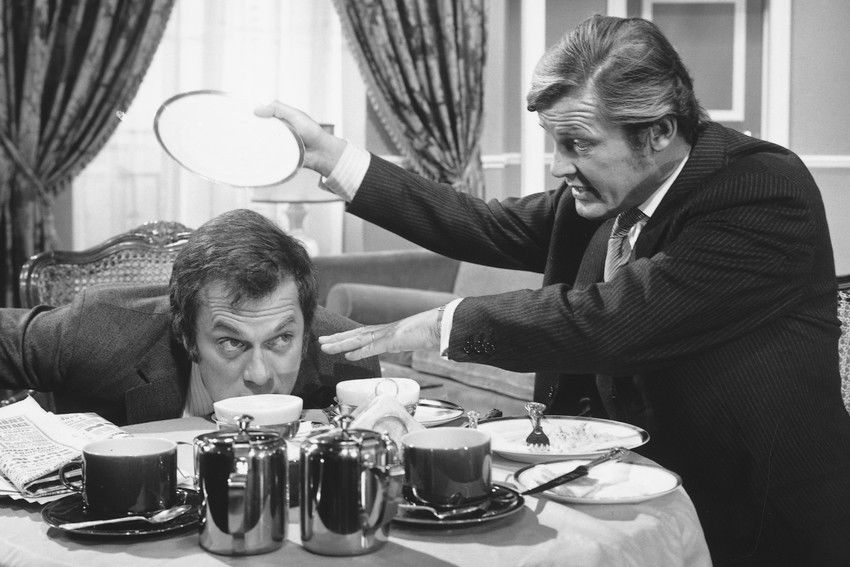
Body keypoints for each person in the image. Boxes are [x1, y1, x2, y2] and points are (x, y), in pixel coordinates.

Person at [255, 14, 850, 566]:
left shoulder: (761, 189)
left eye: (578, 143)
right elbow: (481, 224)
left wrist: (443, 325)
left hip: (757, 515)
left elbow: (615, 321)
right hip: (625, 491)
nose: (559, 166)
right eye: (554, 141)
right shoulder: (609, 192)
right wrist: (330, 157)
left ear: (659, 131)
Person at [0, 208, 379, 426]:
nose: (260, 375)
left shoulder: (348, 363)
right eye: (232, 343)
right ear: (186, 335)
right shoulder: (99, 331)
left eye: (281, 339)